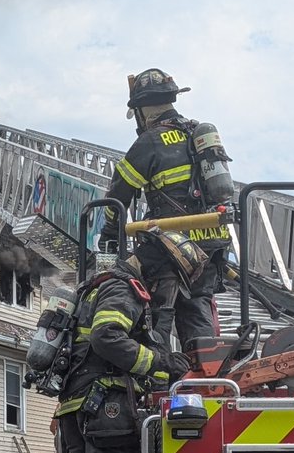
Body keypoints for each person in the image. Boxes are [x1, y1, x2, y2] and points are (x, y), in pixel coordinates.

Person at [55, 227, 204, 453]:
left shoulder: (97, 285)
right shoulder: (125, 288)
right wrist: (159, 363)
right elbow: (107, 338)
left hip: (75, 404)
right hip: (104, 401)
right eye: (170, 282)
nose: (167, 292)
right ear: (156, 268)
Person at [99, 68, 235, 353]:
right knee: (197, 302)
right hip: (213, 238)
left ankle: (157, 367)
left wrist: (110, 234)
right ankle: (205, 367)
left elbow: (118, 197)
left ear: (141, 110)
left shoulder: (149, 142)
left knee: (144, 294)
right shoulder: (196, 133)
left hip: (172, 243)